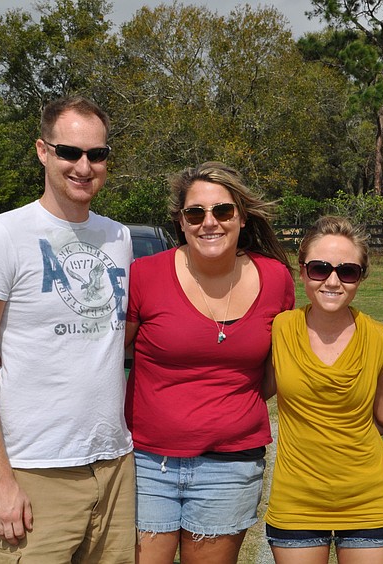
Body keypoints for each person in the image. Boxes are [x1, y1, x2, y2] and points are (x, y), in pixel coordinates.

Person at [0, 96, 135, 563]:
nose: (84, 166)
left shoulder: (119, 237)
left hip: (114, 464)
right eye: (69, 152)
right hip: (34, 469)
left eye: (97, 154)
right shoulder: (0, 236)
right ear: (42, 151)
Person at [125, 161, 295, 564]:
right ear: (181, 222)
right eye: (195, 213)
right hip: (148, 463)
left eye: (222, 210)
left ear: (241, 217)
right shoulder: (144, 274)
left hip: (231, 467)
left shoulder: (275, 278)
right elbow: (109, 355)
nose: (209, 222)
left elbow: (275, 372)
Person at [263, 215, 383, 564]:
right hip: (296, 501)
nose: (333, 281)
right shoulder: (279, 329)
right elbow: (246, 389)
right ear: (302, 271)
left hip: (368, 500)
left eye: (347, 271)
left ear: (362, 277)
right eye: (320, 269)